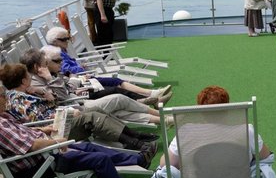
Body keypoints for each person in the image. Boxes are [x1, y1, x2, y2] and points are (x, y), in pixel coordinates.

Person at [0, 85, 156, 178]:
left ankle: (138, 160)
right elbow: (31, 146)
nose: (6, 100)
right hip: (39, 165)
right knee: (100, 160)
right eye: (3, 97)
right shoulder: (1, 126)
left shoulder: (4, 117)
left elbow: (22, 132)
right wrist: (55, 142)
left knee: (89, 147)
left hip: (45, 155)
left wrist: (42, 129)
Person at [0, 62, 158, 161]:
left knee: (95, 110)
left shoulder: (26, 94)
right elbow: (39, 118)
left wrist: (42, 93)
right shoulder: (19, 100)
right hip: (55, 130)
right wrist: (67, 112)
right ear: (23, 80)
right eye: (28, 75)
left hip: (57, 123)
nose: (30, 77)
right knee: (92, 117)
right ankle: (137, 144)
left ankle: (135, 137)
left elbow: (53, 103)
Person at [26, 48, 164, 126]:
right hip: (76, 107)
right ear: (37, 67)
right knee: (118, 98)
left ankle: (161, 118)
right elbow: (64, 96)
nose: (47, 66)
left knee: (117, 108)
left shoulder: (44, 76)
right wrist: (52, 79)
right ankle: (158, 112)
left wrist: (71, 81)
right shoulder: (37, 81)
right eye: (45, 63)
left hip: (78, 100)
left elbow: (65, 88)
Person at [44, 27, 171, 104]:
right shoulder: (55, 55)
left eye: (68, 38)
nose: (68, 41)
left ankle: (152, 96)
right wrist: (80, 68)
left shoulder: (60, 52)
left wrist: (80, 67)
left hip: (83, 79)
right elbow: (66, 69)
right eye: (64, 39)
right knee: (115, 85)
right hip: (82, 82)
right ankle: (152, 96)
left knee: (115, 83)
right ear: (55, 41)